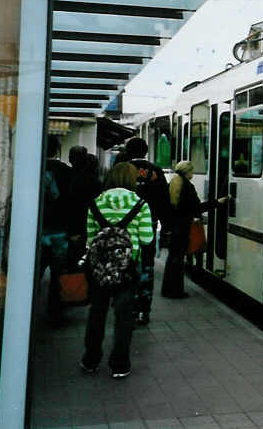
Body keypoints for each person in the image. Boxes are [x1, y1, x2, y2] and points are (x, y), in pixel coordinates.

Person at [80, 162, 153, 379]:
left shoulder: (96, 203)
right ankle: (120, 364)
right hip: (127, 268)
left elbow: (90, 240)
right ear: (132, 179)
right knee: (123, 317)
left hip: (100, 269)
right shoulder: (140, 204)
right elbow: (147, 238)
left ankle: (91, 360)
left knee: (97, 313)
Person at [122, 137, 171, 326]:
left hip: (123, 227)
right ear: (145, 151)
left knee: (125, 265)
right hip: (147, 226)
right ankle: (143, 309)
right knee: (147, 266)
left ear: (127, 151)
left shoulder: (120, 170)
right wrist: (165, 226)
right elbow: (164, 201)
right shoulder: (156, 171)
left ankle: (127, 306)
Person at [161, 161, 228, 299]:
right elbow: (197, 208)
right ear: (187, 172)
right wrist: (217, 202)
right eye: (192, 171)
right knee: (178, 261)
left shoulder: (173, 184)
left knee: (172, 259)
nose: (193, 174)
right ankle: (176, 291)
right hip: (183, 228)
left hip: (173, 228)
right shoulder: (187, 186)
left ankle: (167, 289)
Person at [41, 135, 73, 326]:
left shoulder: (32, 166)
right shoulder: (66, 172)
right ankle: (55, 311)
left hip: (38, 229)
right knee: (58, 273)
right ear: (57, 151)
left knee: (33, 272)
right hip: (60, 230)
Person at [68, 147, 102, 271]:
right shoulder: (95, 182)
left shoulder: (71, 177)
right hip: (88, 226)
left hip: (74, 226)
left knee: (71, 264)